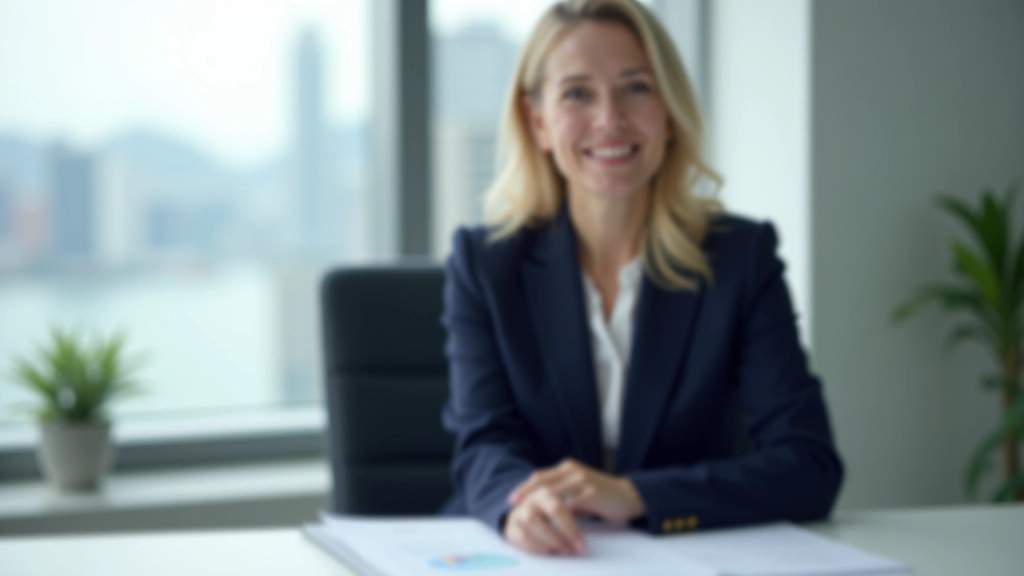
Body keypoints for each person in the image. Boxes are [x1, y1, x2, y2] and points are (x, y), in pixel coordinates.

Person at [439, 0, 843, 556]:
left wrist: (638, 496)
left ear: (669, 113)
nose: (610, 119)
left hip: (688, 556)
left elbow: (809, 465)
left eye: (636, 88)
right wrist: (521, 508)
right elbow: (483, 446)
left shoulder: (740, 260)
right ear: (539, 123)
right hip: (534, 557)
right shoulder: (485, 264)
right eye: (577, 94)